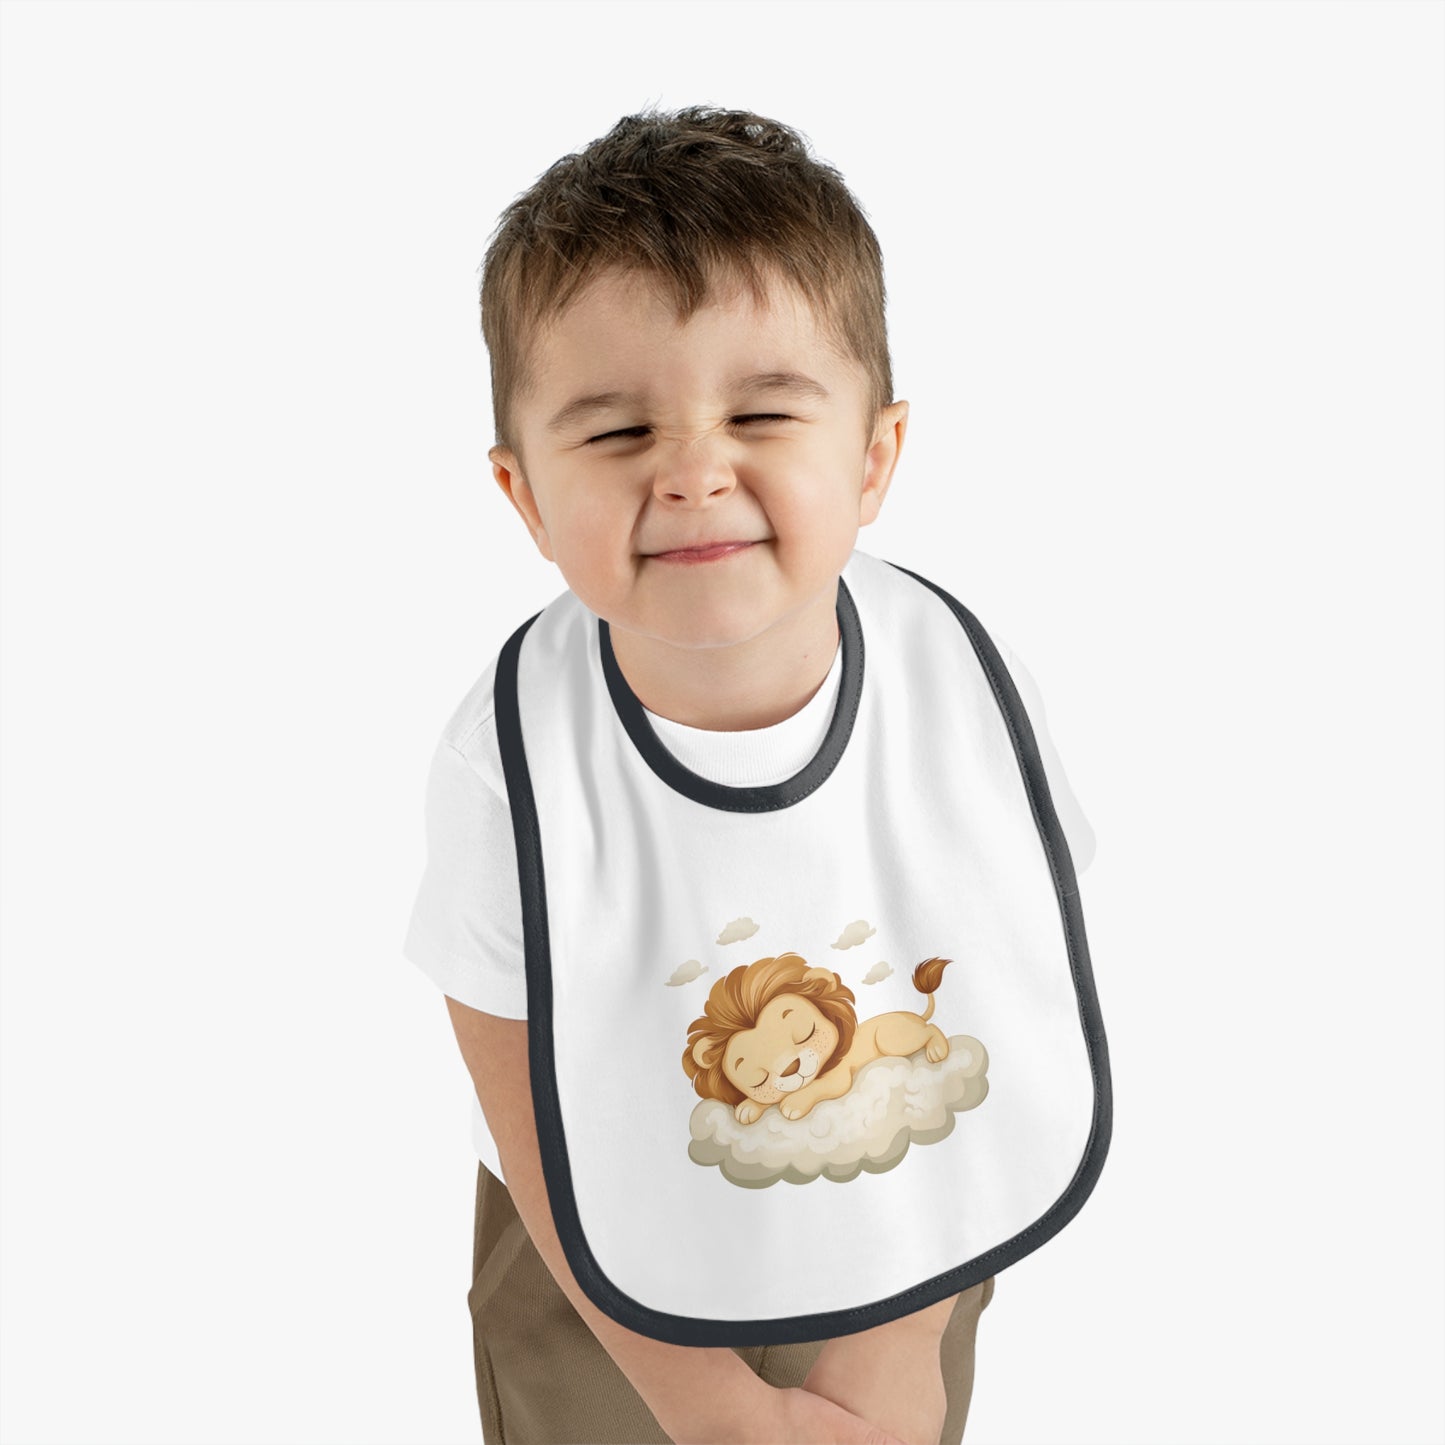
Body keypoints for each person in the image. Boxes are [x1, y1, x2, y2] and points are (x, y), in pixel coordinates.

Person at [404, 105, 1100, 1445]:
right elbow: (513, 1076)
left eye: (762, 410)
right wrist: (709, 1403)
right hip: (595, 1257)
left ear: (874, 456)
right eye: (614, 436)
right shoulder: (509, 751)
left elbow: (1002, 988)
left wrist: (893, 1343)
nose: (690, 472)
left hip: (908, 1214)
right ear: (525, 495)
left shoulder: (948, 684)